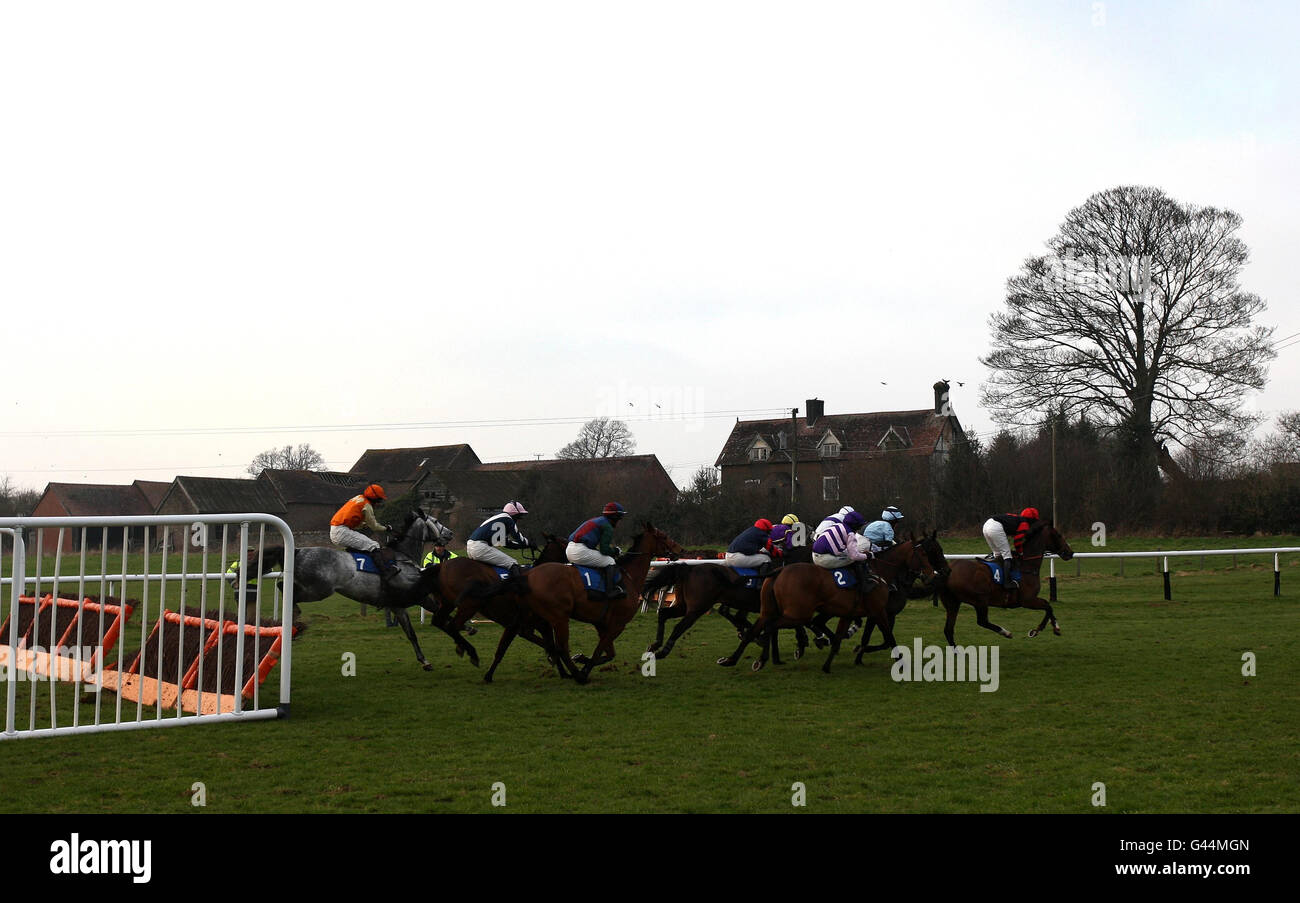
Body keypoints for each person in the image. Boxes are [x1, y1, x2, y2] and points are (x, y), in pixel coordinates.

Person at [330, 484, 396, 582]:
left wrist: (364, 525)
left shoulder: (359, 497)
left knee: (365, 545)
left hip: (337, 529)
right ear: (374, 498)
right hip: (341, 531)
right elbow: (374, 526)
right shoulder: (367, 506)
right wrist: (386, 528)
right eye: (379, 500)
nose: (379, 503)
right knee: (373, 545)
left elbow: (353, 518)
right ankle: (385, 573)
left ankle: (362, 570)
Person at [567, 502, 627, 599]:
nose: (619, 521)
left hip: (570, 549)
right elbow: (604, 550)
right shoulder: (607, 527)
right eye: (620, 518)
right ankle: (610, 591)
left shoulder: (597, 520)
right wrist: (615, 551)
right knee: (610, 561)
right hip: (580, 551)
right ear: (615, 517)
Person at [466, 501, 534, 585]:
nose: (518, 520)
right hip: (480, 547)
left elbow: (505, 543)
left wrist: (523, 546)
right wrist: (528, 543)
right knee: (512, 563)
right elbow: (517, 537)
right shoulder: (508, 519)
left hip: (471, 547)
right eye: (518, 517)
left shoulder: (500, 519)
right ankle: (518, 588)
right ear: (514, 514)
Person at [811, 510, 877, 591]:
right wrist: (868, 555)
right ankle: (864, 584)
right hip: (824, 559)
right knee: (854, 560)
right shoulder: (850, 534)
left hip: (814, 554)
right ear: (855, 525)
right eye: (859, 526)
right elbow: (854, 556)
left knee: (848, 555)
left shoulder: (838, 524)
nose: (859, 528)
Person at [982, 506, 1040, 591]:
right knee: (1007, 556)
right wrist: (1020, 553)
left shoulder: (1018, 519)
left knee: (998, 555)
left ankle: (996, 579)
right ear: (1032, 520)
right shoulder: (1025, 524)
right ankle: (1007, 582)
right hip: (995, 527)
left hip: (986, 525)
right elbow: (1017, 542)